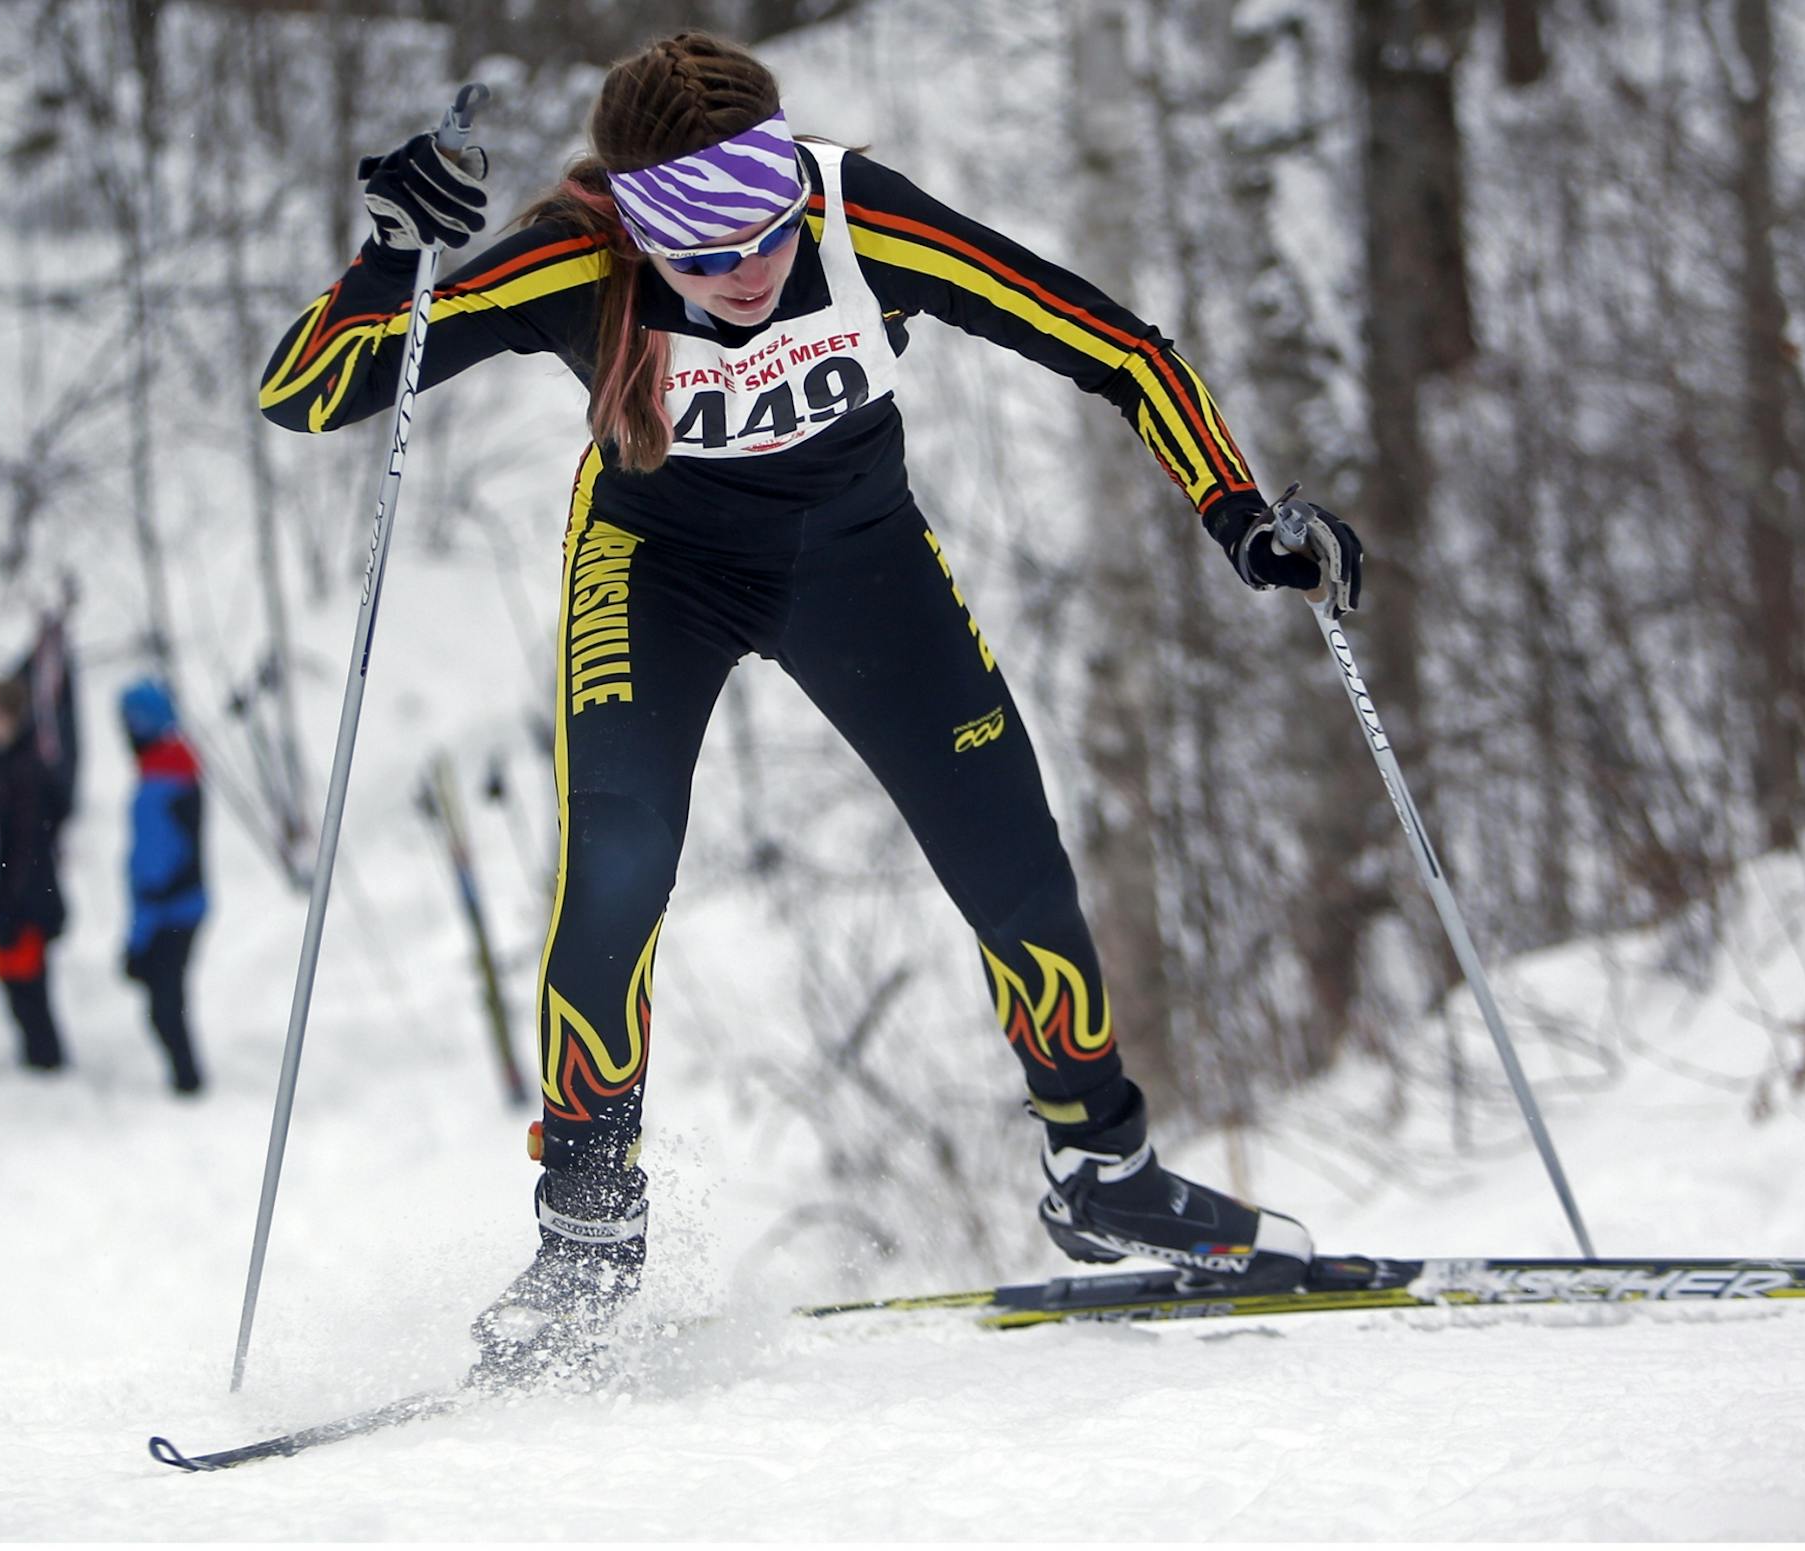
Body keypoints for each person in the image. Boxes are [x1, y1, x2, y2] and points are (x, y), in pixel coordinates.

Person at [259, 33, 1365, 1364]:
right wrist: (394, 260)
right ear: (642, 232)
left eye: (767, 232)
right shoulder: (574, 254)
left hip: (856, 556)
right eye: (705, 255)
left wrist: (1242, 513)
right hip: (655, 570)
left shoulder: (856, 217)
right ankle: (588, 1238)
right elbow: (308, 395)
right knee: (615, 866)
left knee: (1010, 852)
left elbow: (1120, 348)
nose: (749, 273)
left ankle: (1105, 1173)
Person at [0, 677, 72, 1071]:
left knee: (28, 981)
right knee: (14, 979)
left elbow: (28, 844)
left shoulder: (25, 768)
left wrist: (12, 900)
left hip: (27, 895)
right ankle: (39, 1055)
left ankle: (45, 1059)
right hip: (9, 891)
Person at [119, 678, 207, 1095]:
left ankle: (187, 1083)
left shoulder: (156, 787)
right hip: (189, 904)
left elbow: (150, 873)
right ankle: (187, 1079)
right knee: (169, 1000)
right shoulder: (182, 768)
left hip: (169, 913)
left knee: (164, 1007)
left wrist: (137, 941)